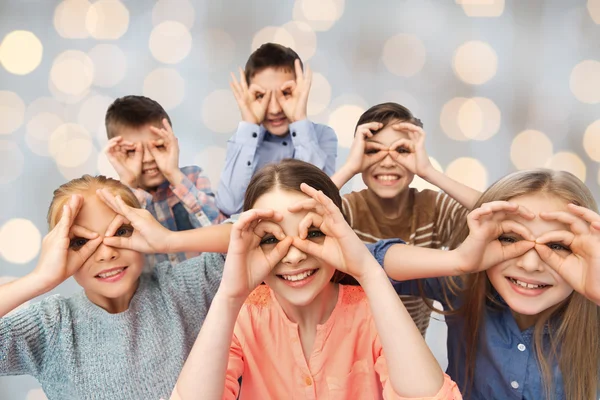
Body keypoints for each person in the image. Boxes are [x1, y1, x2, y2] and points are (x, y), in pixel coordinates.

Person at [171, 159, 462, 399]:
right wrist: (229, 296)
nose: (294, 256)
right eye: (271, 238)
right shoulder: (244, 317)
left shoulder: (371, 312)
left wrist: (369, 272)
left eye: (313, 233)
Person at [368, 169, 600, 399]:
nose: (530, 264)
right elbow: (359, 262)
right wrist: (457, 261)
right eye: (509, 238)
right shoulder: (465, 283)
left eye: (557, 246)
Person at [0, 175, 229, 400]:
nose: (107, 253)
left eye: (120, 232)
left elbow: (256, 236)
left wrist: (169, 240)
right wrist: (39, 278)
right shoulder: (53, 327)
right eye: (80, 242)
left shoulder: (182, 289)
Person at [331, 102, 481, 336]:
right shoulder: (346, 209)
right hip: (350, 350)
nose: (388, 161)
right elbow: (297, 216)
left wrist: (428, 171)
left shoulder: (433, 209)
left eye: (401, 150)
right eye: (373, 151)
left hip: (411, 351)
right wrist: (349, 167)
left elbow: (502, 213)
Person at [216, 43, 338, 216]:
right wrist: (249, 123)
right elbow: (229, 206)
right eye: (260, 96)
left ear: (301, 90)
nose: (274, 109)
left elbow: (314, 202)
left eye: (286, 92)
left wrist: (299, 119)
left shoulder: (323, 135)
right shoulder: (244, 140)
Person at [105, 95, 224, 266]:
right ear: (116, 154)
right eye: (132, 151)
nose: (147, 158)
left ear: (173, 143)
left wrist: (174, 174)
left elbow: (222, 234)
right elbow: (117, 255)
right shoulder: (112, 199)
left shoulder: (192, 177)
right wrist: (128, 184)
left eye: (158, 146)